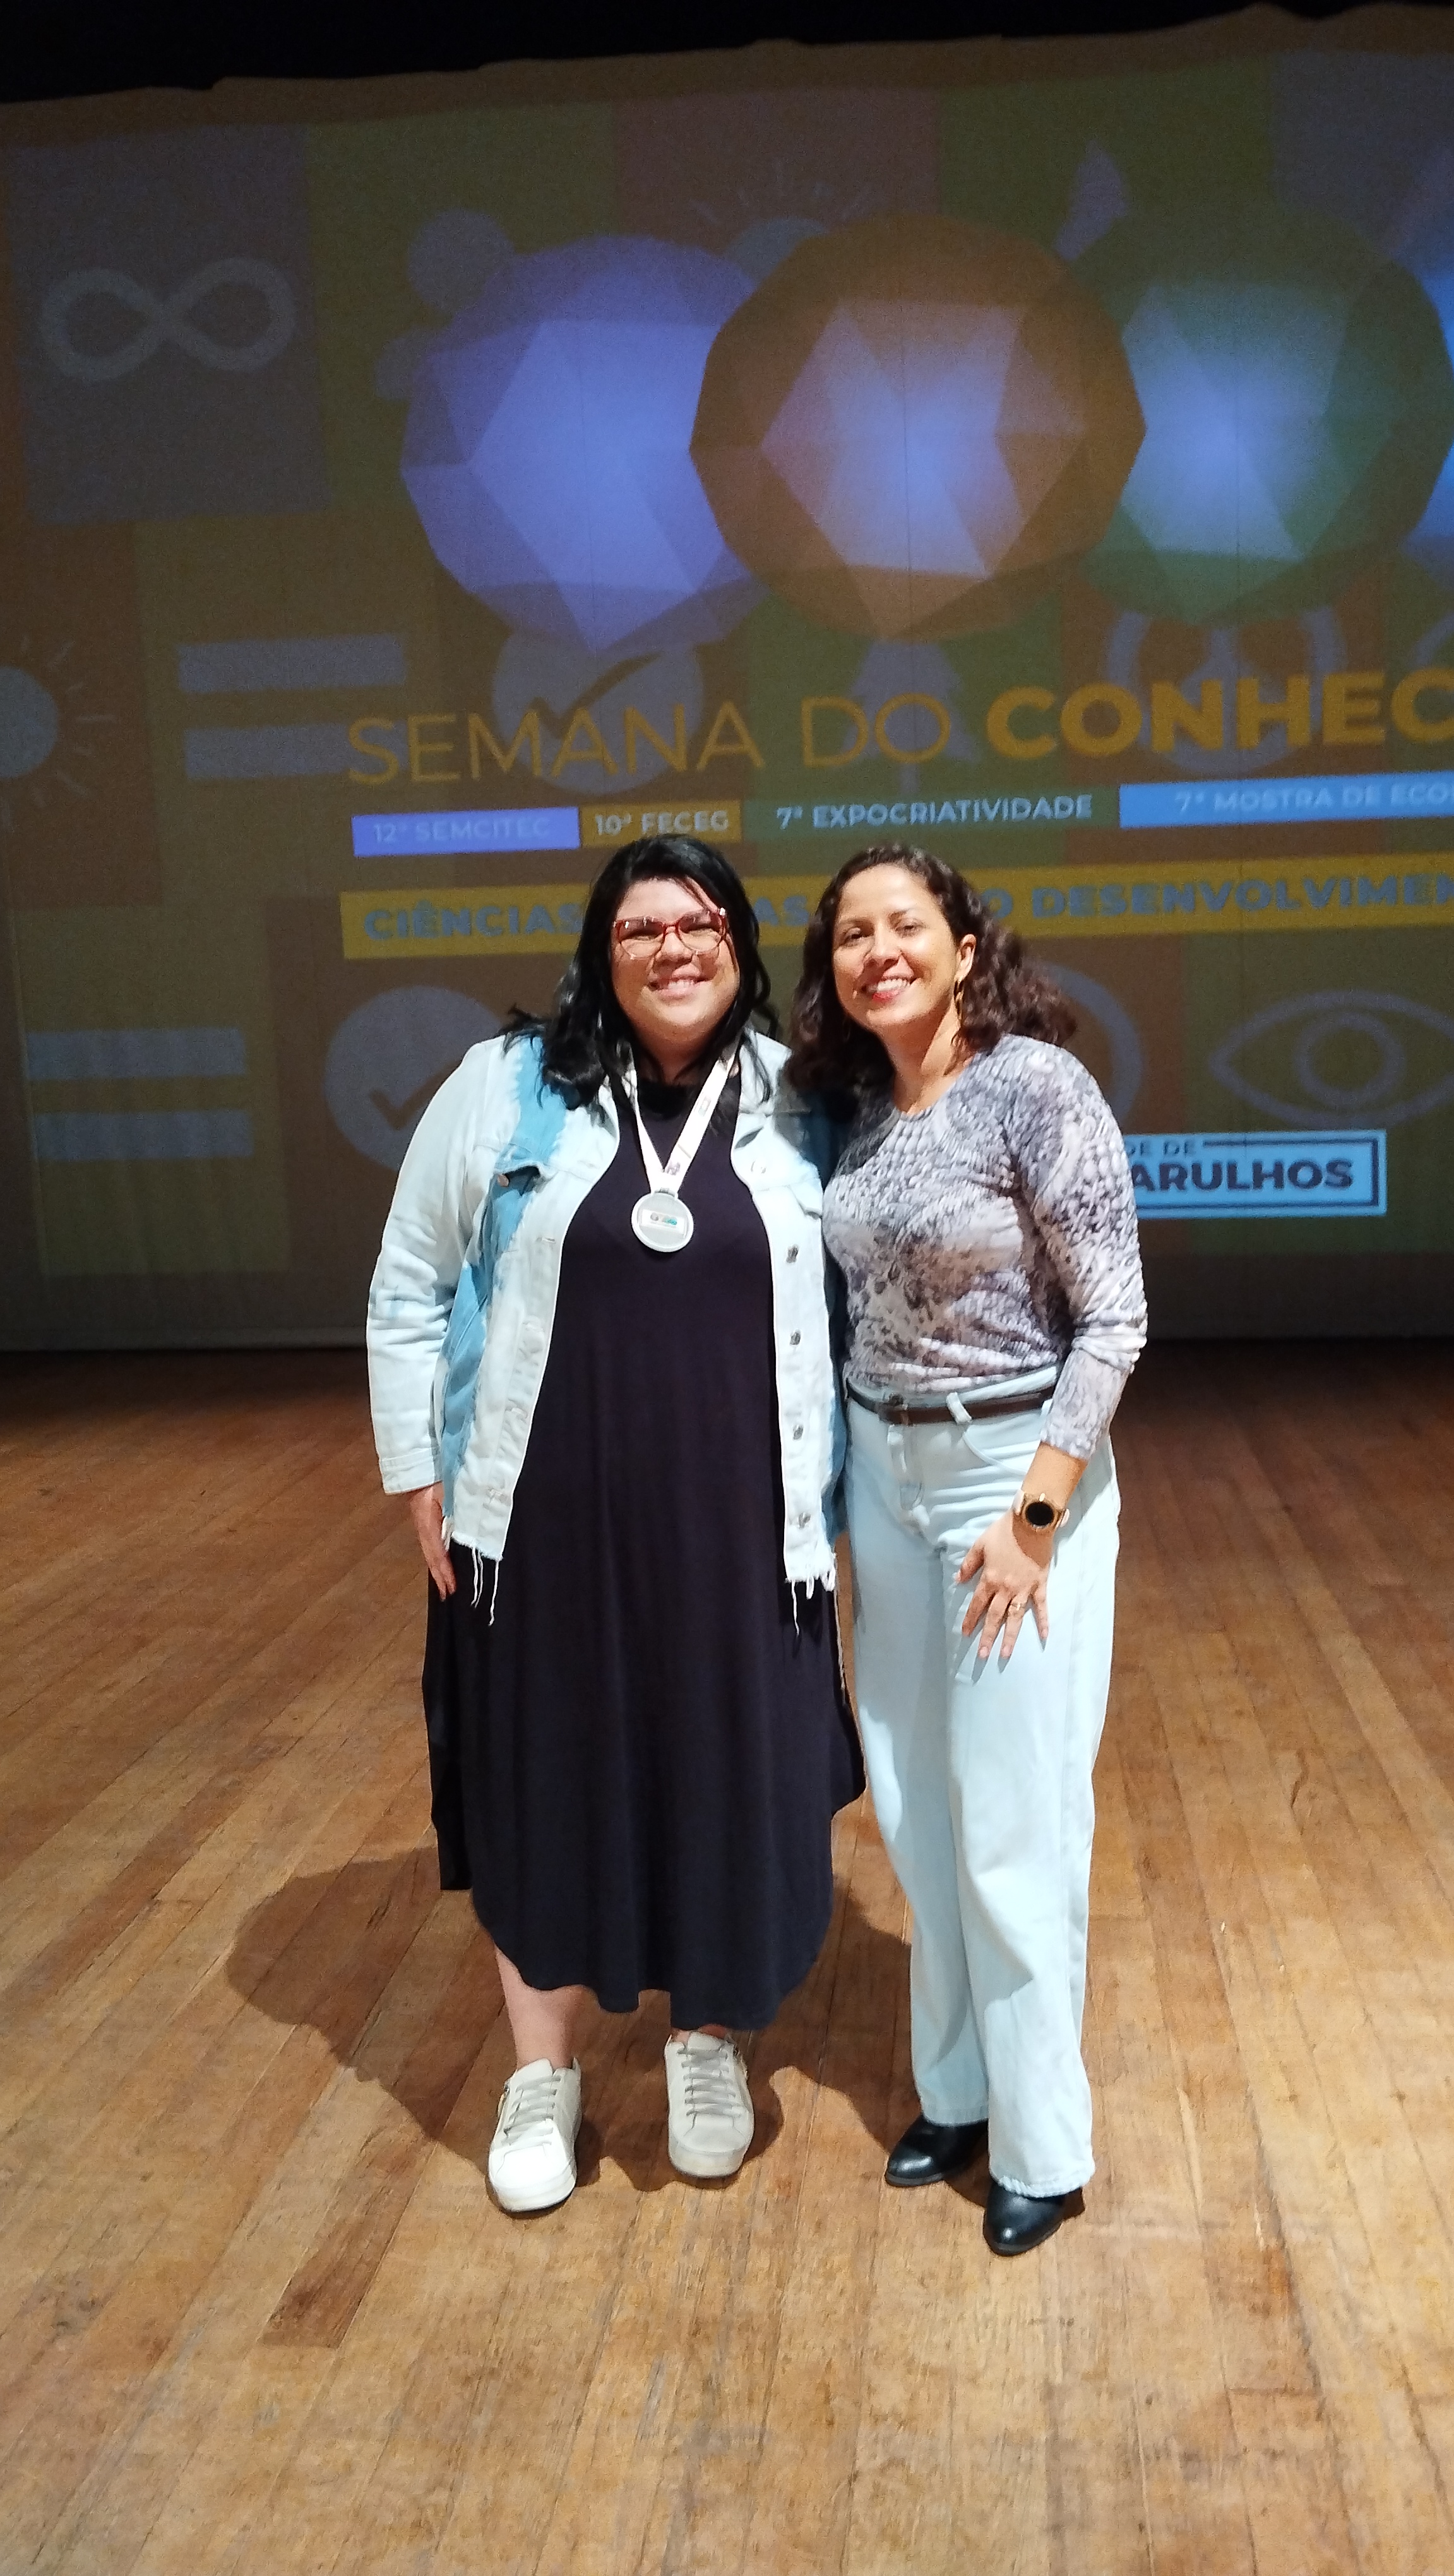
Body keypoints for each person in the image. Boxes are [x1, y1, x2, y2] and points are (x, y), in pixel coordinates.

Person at [368, 835, 860, 2214]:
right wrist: (415, 1472)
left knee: (730, 1778)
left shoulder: (806, 1102)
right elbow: (410, 1283)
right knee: (544, 1781)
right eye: (642, 928)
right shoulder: (505, 1087)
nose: (672, 949)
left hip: (743, 1527)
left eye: (701, 925)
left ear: (741, 947)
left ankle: (708, 2041)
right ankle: (543, 2073)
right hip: (544, 1522)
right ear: (602, 951)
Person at [788, 844, 1145, 2258]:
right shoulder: (857, 1111)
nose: (877, 950)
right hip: (887, 1474)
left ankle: (1044, 2145)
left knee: (1013, 1822)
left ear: (963, 946)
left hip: (1014, 1475)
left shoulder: (1035, 1088)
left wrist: (1037, 1523)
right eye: (850, 934)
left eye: (905, 925)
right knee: (916, 1807)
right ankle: (957, 2092)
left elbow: (1113, 1320)